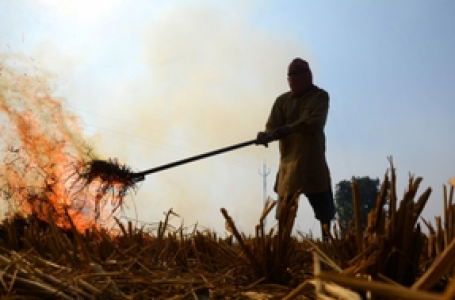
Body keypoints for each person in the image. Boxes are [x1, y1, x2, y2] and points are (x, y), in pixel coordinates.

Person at [256, 58, 334, 240]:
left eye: (297, 74)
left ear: (308, 76)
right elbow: (272, 126)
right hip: (289, 167)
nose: (293, 79)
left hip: (313, 164)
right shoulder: (282, 102)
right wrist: (265, 135)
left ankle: (328, 248)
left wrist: (289, 129)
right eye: (290, 75)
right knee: (284, 217)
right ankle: (282, 249)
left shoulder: (320, 97)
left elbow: (315, 122)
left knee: (325, 215)